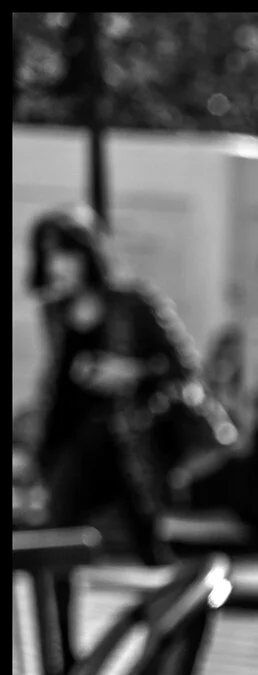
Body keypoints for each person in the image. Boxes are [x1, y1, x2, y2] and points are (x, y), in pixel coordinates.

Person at [26, 207, 202, 565]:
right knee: (58, 539)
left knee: (148, 546)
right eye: (47, 255)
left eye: (64, 253)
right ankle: (58, 623)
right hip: (70, 445)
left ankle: (182, 613)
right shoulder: (54, 313)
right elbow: (56, 386)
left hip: (129, 445)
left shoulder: (133, 302)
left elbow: (184, 367)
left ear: (87, 255)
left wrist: (128, 373)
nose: (54, 266)